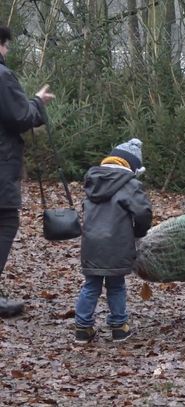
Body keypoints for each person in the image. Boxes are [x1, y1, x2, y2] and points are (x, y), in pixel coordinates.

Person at [0, 24, 55, 318]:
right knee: (6, 221)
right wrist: (37, 102)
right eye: (6, 45)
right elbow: (21, 118)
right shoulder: (2, 76)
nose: (7, 51)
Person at [74, 138, 152, 343]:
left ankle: (83, 328)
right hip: (118, 242)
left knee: (91, 285)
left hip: (91, 242)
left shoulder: (93, 179)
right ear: (131, 165)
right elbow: (143, 212)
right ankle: (119, 326)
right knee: (116, 285)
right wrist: (139, 232)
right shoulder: (129, 184)